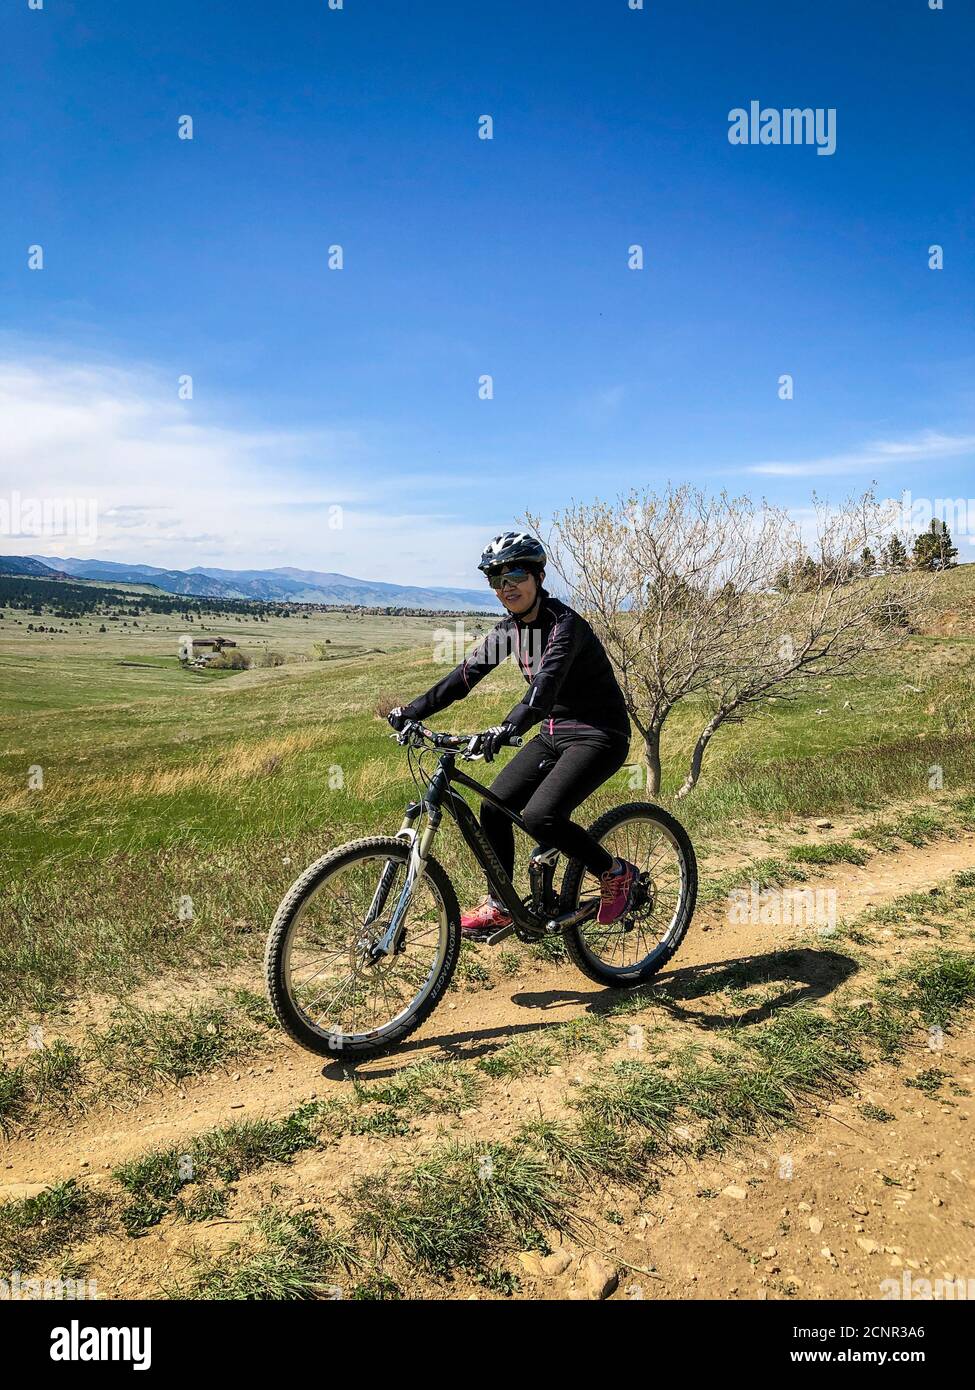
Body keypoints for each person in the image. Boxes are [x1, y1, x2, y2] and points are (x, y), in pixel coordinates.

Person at [388, 531, 638, 939]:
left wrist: (507, 727)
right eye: (496, 580)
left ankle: (616, 873)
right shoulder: (508, 630)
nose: (506, 587)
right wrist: (411, 712)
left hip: (599, 733)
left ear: (537, 576)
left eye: (516, 574)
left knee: (541, 815)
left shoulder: (566, 625)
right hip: (553, 733)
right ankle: (501, 905)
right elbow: (463, 678)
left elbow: (545, 685)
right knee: (494, 806)